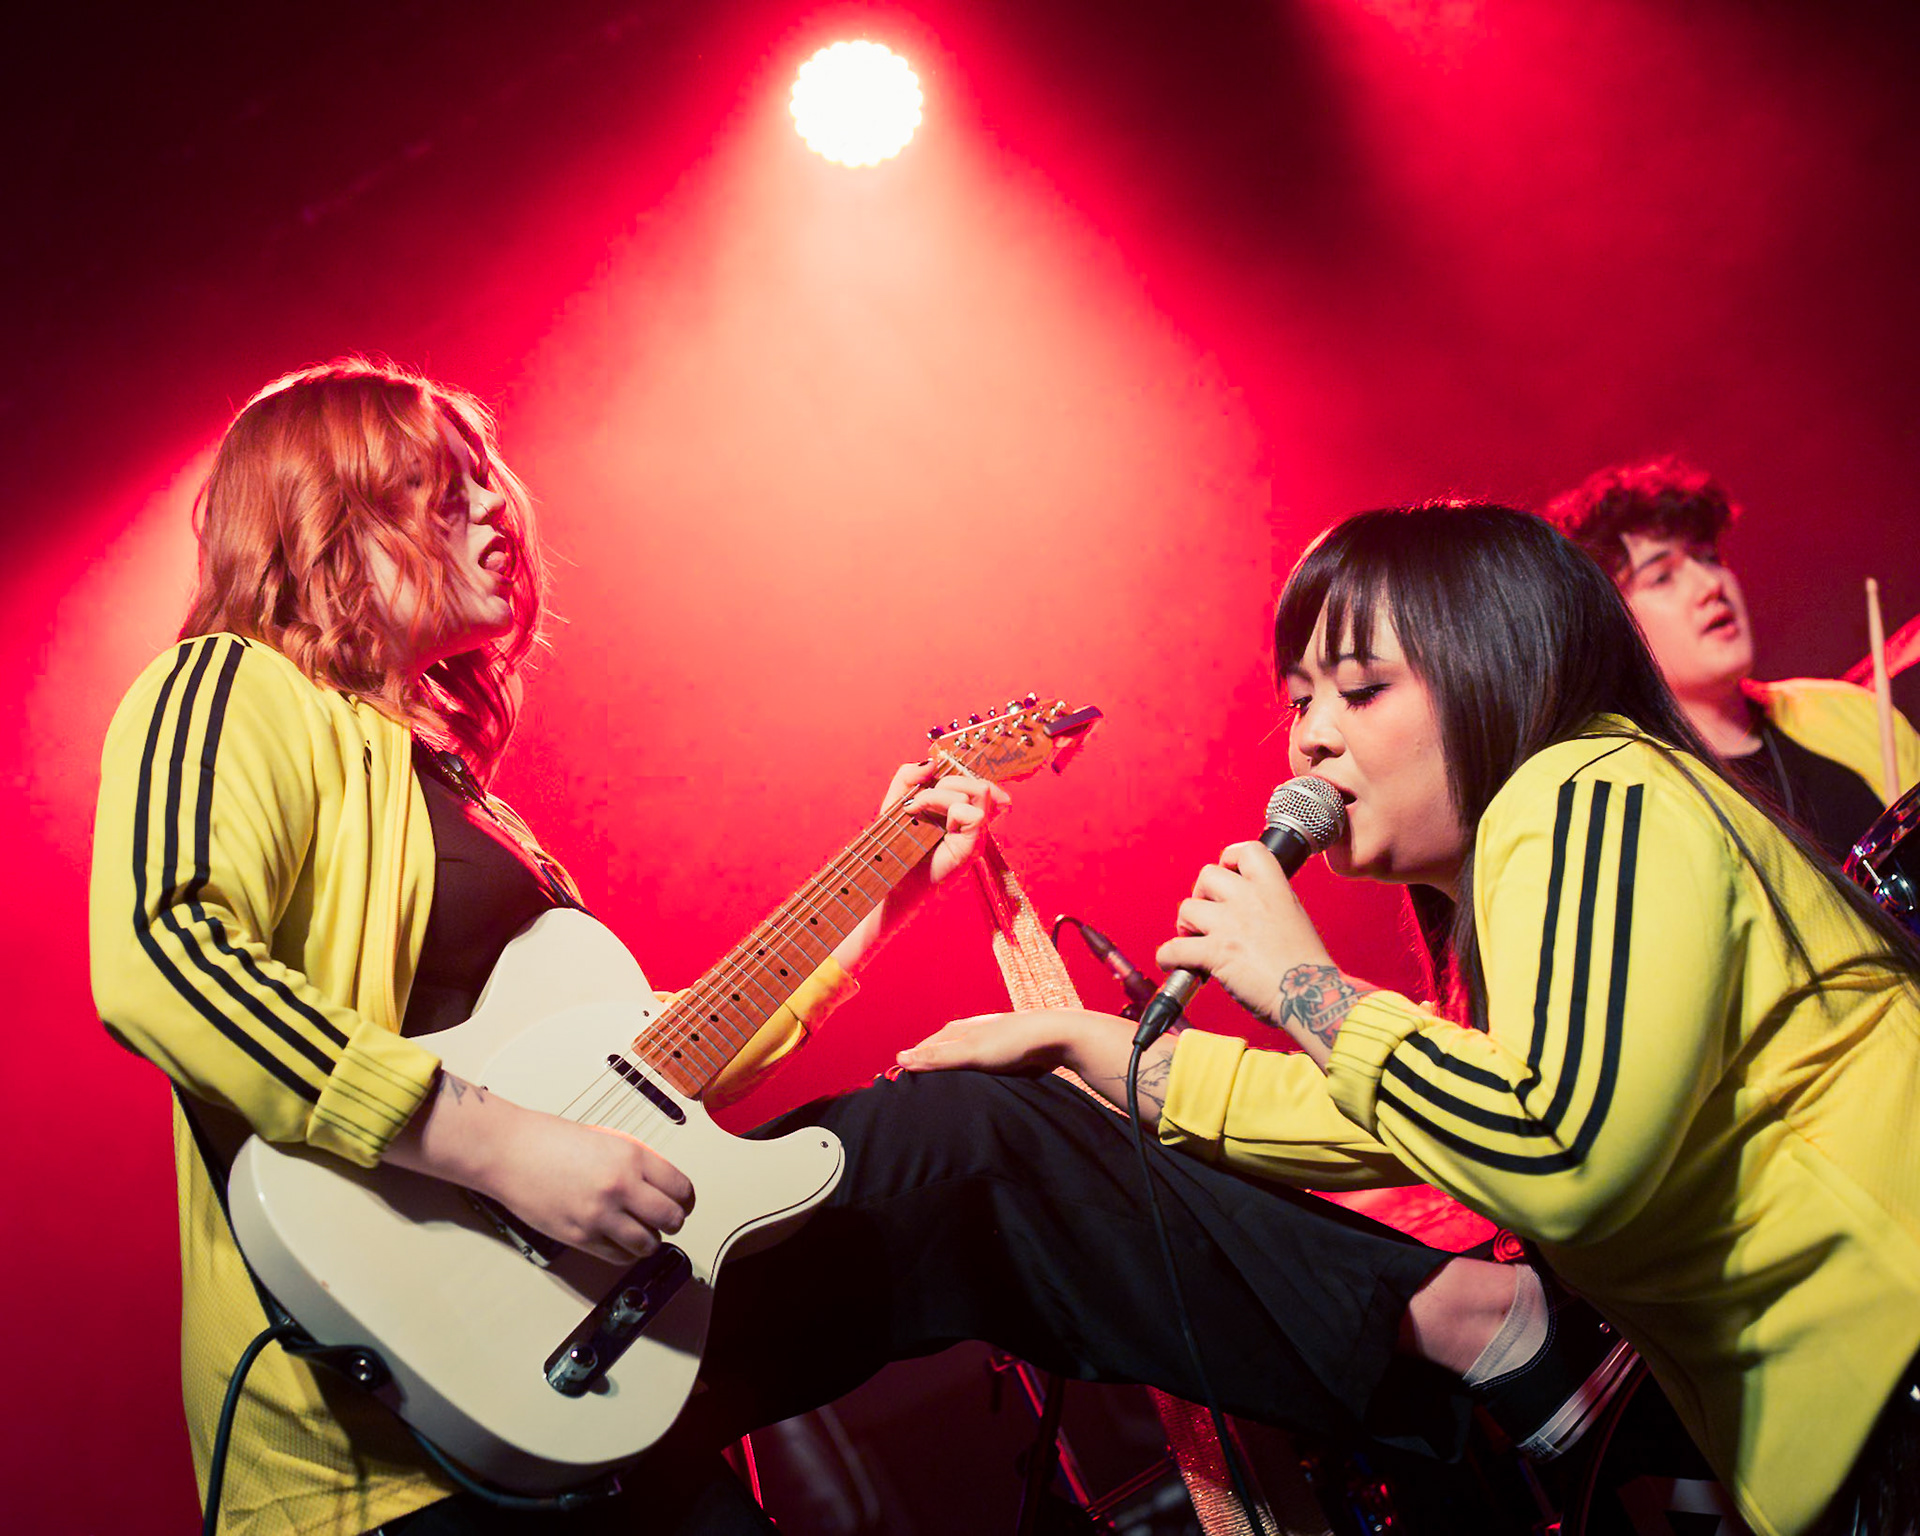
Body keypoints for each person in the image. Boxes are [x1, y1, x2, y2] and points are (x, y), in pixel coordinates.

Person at [91, 366, 1620, 1535]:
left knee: (984, 1153)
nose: (501, 510)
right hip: (387, 1453)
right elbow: (163, 951)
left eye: (494, 481)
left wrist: (876, 888)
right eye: (443, 489)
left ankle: (1466, 1354)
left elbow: (639, 1081)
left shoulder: (458, 795)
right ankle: (1481, 1331)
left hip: (610, 1359)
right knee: (978, 1141)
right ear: (323, 519)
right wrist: (492, 1149)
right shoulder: (227, 691)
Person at [898, 502, 1920, 1536]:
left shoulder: (1587, 785)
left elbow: (1555, 1150)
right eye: (1299, 702)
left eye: (1361, 688)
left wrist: (1303, 981)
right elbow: (1420, 1110)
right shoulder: (1538, 848)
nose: (1310, 737)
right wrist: (1099, 1047)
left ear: (1498, 662)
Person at [1547, 457, 1920, 862]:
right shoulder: (1634, 798)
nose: (1711, 585)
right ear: (1612, 627)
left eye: (1708, 558)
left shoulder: (1853, 712)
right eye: (1661, 577)